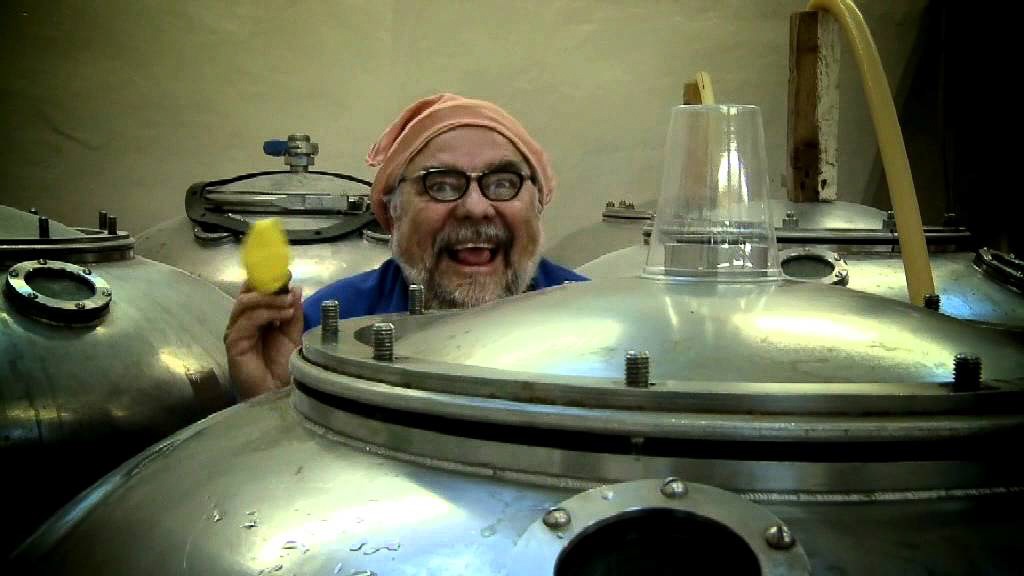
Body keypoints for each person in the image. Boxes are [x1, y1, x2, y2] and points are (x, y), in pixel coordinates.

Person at [224, 93, 587, 399]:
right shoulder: (325, 325)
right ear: (394, 211)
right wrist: (274, 401)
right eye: (440, 185)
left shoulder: (593, 320)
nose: (476, 208)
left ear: (537, 203)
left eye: (503, 183)